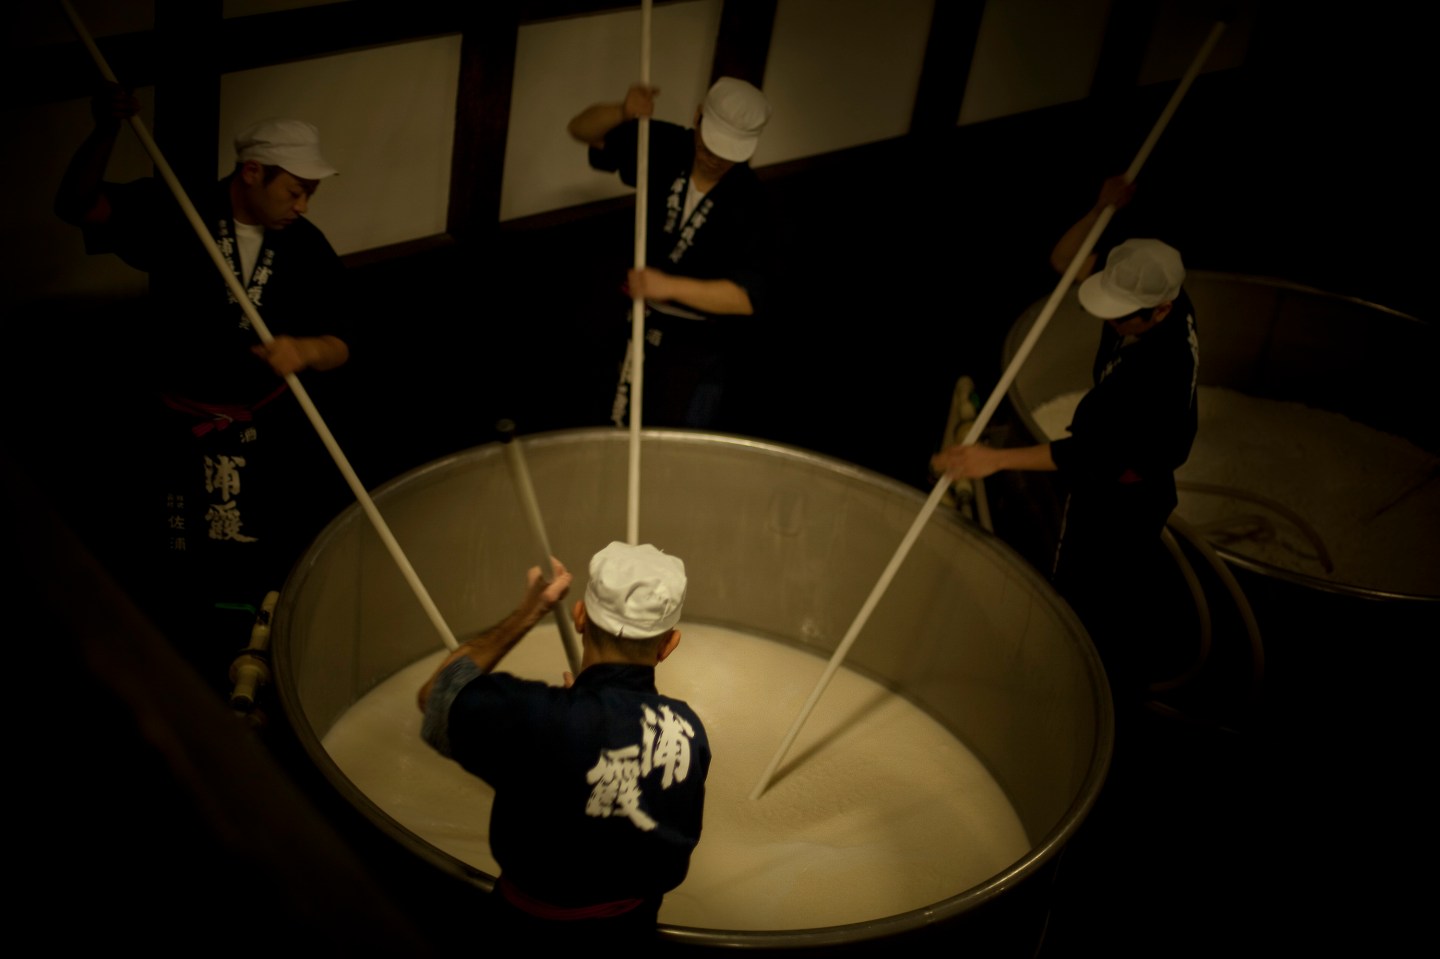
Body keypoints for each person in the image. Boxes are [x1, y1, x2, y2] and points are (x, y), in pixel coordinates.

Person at [55, 86, 354, 676]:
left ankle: (256, 660)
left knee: (259, 556)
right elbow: (77, 204)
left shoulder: (305, 245)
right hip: (178, 427)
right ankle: (175, 665)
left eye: (310, 193)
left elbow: (343, 342)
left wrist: (307, 349)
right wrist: (105, 129)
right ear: (251, 172)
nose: (304, 206)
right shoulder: (180, 213)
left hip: (264, 431)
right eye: (295, 191)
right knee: (177, 554)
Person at [933, 180, 1199, 699]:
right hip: (1114, 464)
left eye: (1120, 313)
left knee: (1093, 597)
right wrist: (1102, 207)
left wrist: (993, 459)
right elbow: (1065, 260)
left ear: (1161, 311)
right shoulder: (1156, 297)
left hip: (1125, 494)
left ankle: (1080, 694)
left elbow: (1087, 454)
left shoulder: (1154, 376)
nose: (1106, 317)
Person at [418, 543, 709, 947]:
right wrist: (588, 722)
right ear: (668, 644)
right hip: (635, 940)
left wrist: (529, 612)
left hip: (519, 939)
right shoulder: (688, 732)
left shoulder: (535, 716)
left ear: (579, 617)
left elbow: (435, 694)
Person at [568, 77, 773, 428]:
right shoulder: (665, 144)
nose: (715, 159)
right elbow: (581, 130)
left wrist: (669, 287)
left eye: (728, 154)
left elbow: (746, 297)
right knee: (607, 424)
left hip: (697, 348)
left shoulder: (750, 200)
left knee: (676, 445)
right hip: (631, 318)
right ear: (697, 118)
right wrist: (621, 111)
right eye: (710, 146)